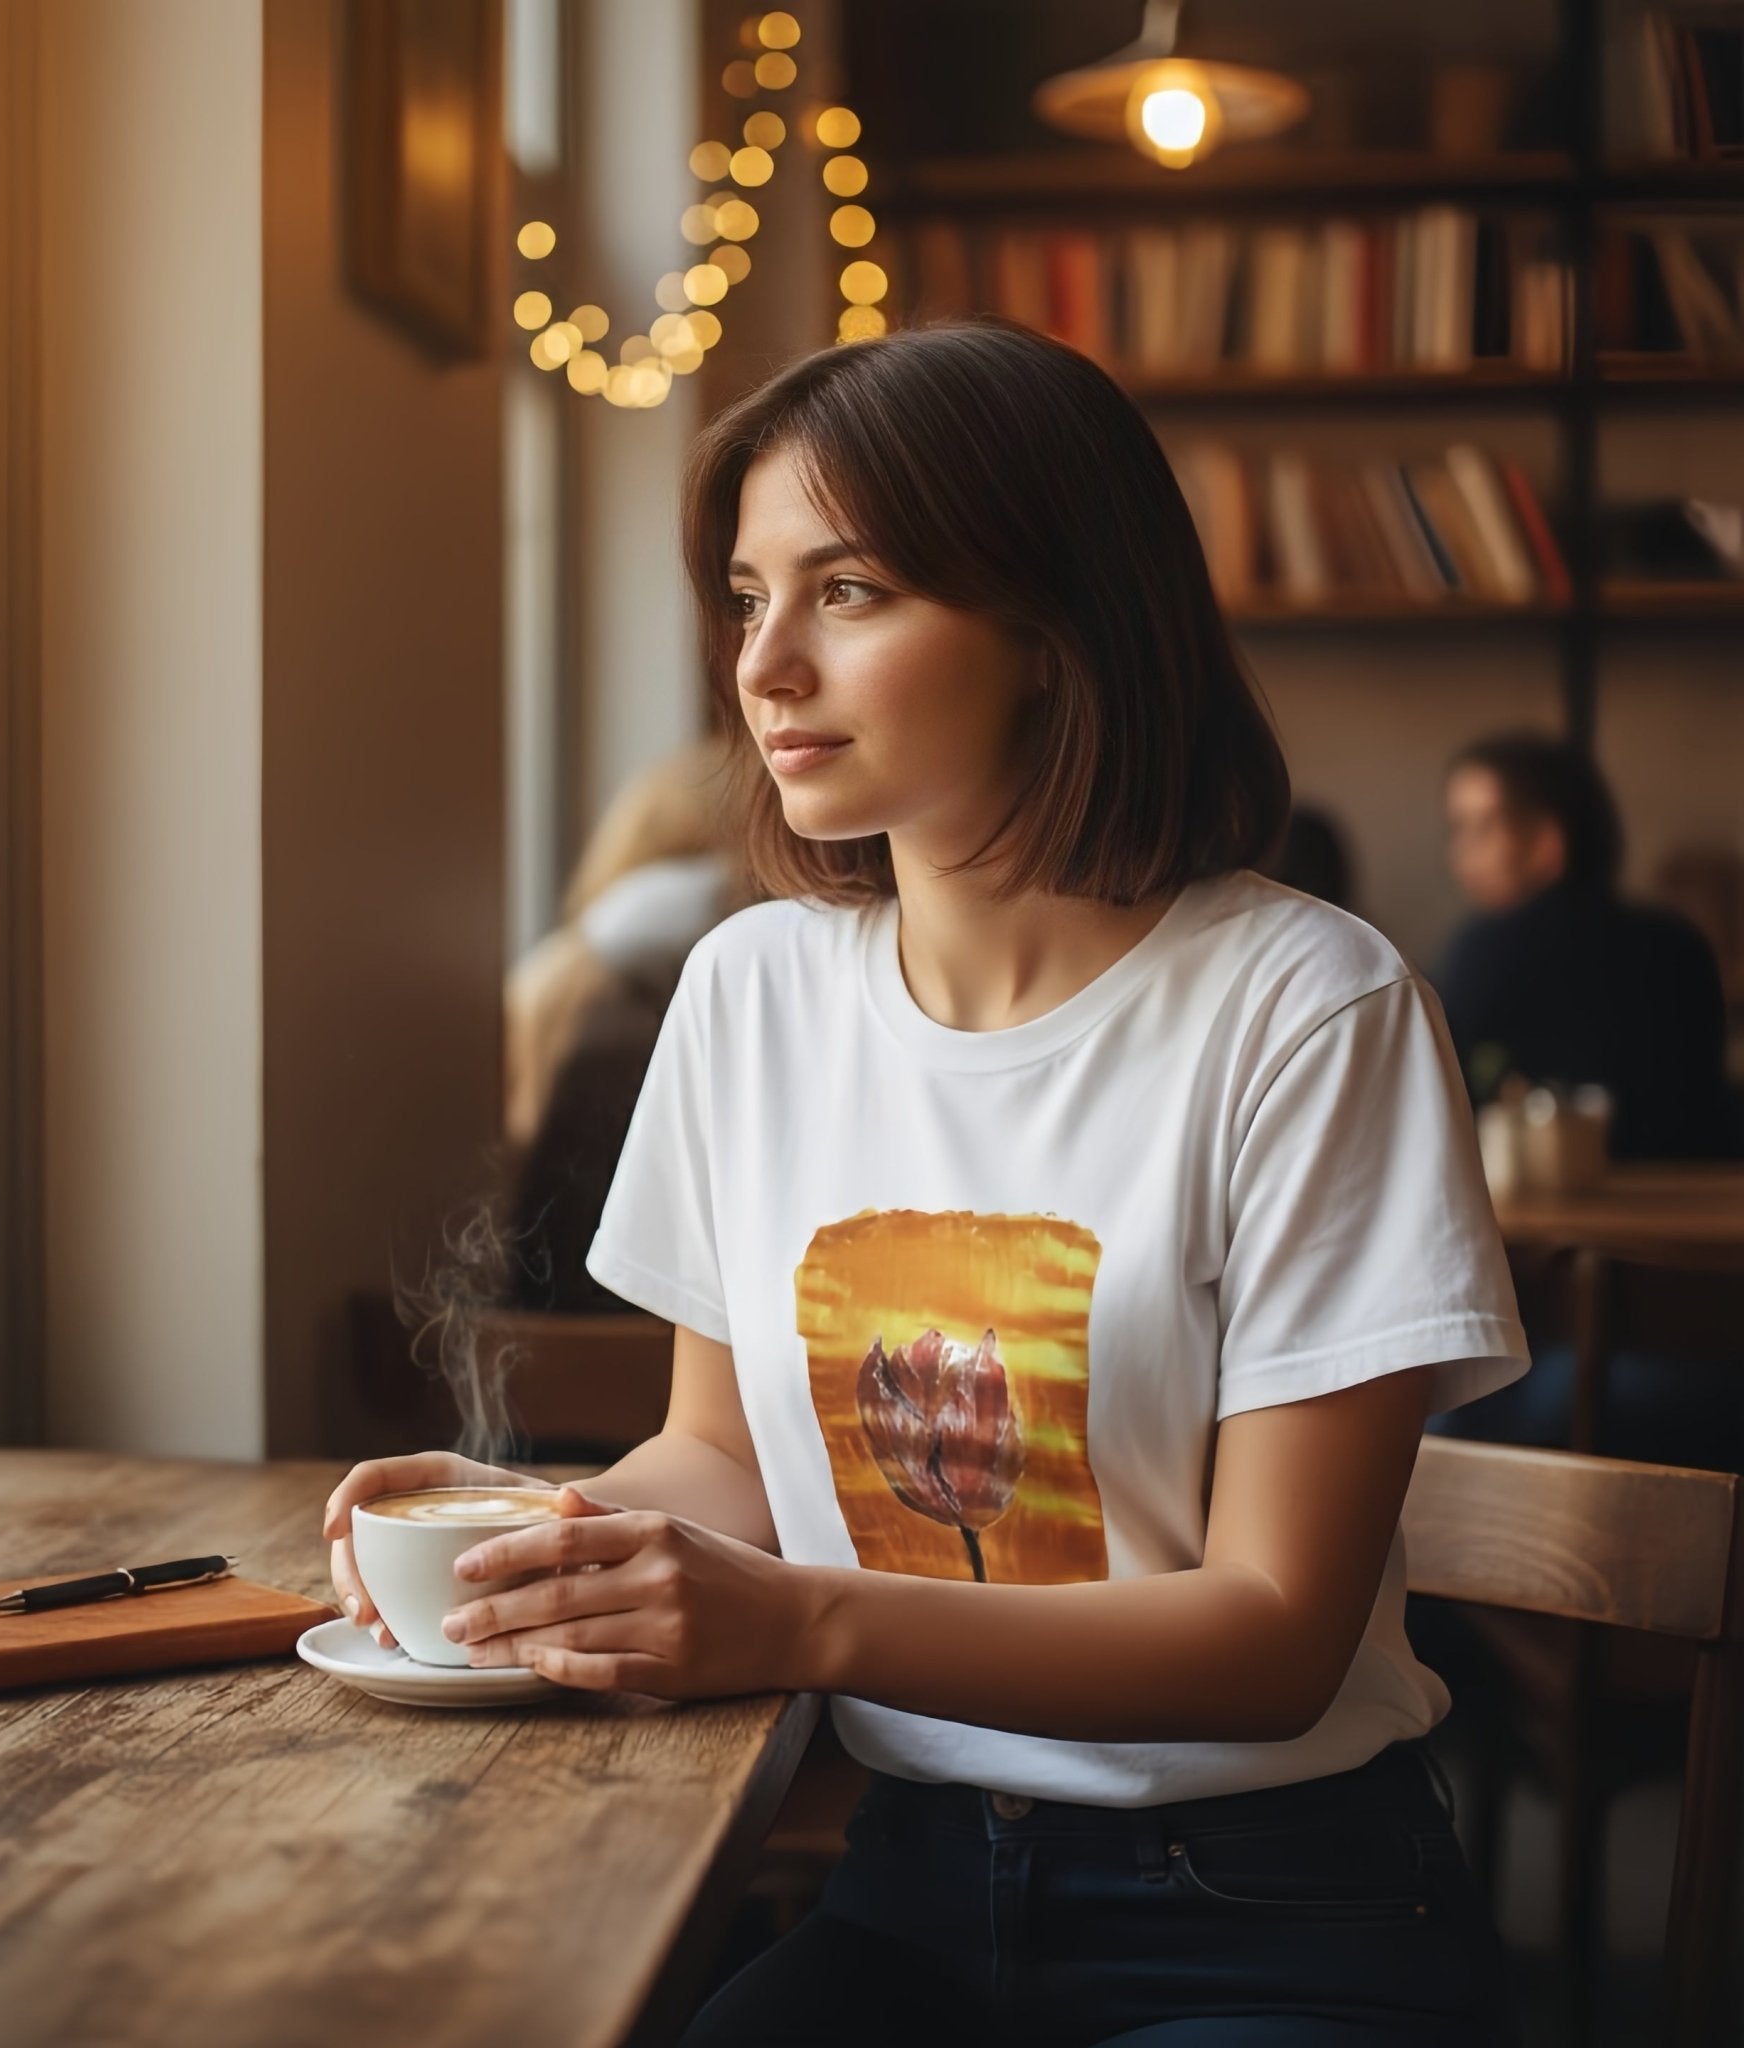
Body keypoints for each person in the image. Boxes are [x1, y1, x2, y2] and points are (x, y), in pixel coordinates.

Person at [324, 322, 1528, 2044]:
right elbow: (721, 1454)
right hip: (902, 1882)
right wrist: (539, 1527)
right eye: (746, 597)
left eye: (851, 588)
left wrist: (798, 1618)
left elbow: (1273, 1633)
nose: (764, 665)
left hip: (1272, 1904)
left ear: (1050, 627)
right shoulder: (752, 994)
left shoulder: (1306, 1007)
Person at [1435, 732, 1742, 1160]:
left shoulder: (1487, 951)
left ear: (1546, 843)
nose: (1459, 855)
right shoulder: (1683, 943)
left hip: (1541, 1215)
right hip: (1698, 1208)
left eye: (1479, 829)